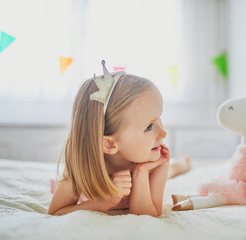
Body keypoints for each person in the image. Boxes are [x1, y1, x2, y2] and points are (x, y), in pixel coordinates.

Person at [48, 60, 190, 217]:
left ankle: (181, 165)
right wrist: (104, 202)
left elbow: (150, 216)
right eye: (149, 127)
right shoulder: (81, 165)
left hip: (151, 170)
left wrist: (140, 174)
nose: (163, 133)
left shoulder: (156, 163)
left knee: (170, 171)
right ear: (109, 144)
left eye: (159, 118)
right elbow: (55, 212)